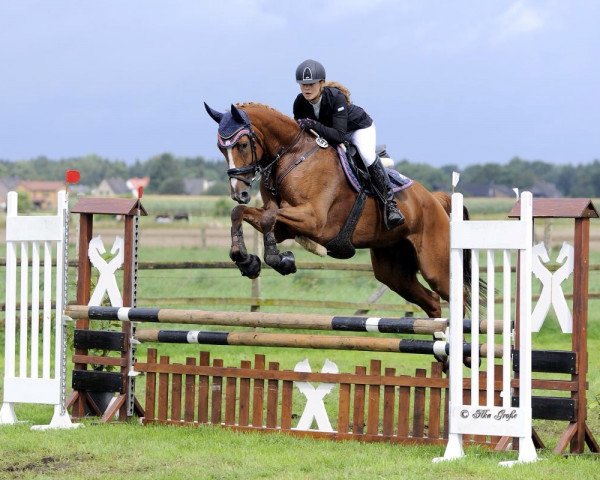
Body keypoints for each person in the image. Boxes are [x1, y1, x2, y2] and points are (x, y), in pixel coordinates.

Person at [293, 59, 404, 229]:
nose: (307, 88)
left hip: (359, 128)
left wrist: (314, 125)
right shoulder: (299, 103)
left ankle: (390, 206)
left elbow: (338, 135)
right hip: (331, 133)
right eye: (303, 84)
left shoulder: (335, 98)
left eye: (311, 84)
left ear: (321, 83)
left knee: (366, 155)